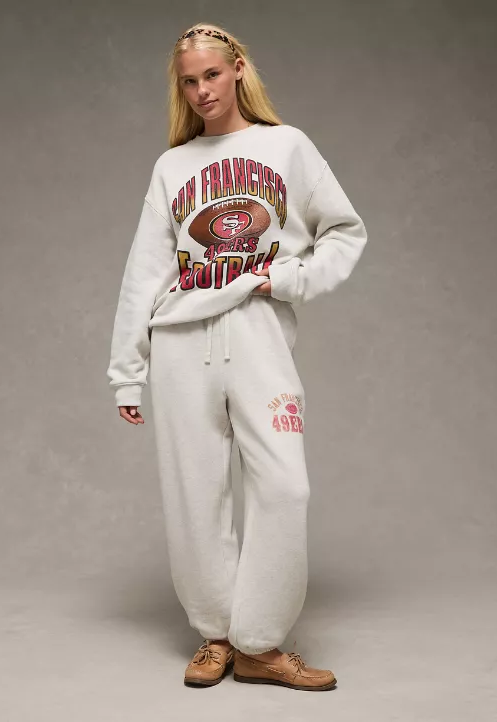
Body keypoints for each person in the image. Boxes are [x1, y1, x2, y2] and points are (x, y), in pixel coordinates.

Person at [106, 22, 368, 691]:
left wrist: (286, 279)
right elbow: (144, 273)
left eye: (212, 75)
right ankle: (217, 635)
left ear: (238, 68)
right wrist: (127, 373)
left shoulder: (287, 146)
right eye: (189, 81)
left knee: (284, 486)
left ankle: (260, 642)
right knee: (195, 493)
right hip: (180, 341)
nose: (201, 91)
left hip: (258, 335)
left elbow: (344, 231)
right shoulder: (172, 166)